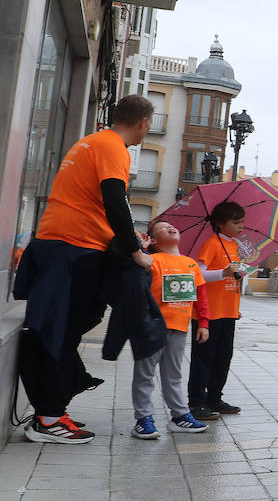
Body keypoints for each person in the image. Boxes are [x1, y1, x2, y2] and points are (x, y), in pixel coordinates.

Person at [15, 95, 156, 444]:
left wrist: (122, 236)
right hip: (74, 249)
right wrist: (136, 250)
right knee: (62, 329)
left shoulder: (89, 142)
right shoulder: (113, 147)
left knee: (61, 326)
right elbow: (114, 198)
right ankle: (47, 420)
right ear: (144, 123)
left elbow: (94, 202)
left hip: (59, 241)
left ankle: (52, 409)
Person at [132, 220, 211, 438]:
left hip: (179, 328)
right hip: (151, 327)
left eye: (172, 226)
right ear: (154, 239)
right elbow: (137, 277)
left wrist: (203, 323)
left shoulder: (191, 264)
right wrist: (143, 248)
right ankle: (144, 418)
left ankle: (180, 416)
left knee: (174, 375)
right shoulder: (152, 260)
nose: (171, 227)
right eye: (162, 228)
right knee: (144, 374)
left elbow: (201, 297)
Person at [189, 201, 250, 421]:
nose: (241, 226)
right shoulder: (211, 244)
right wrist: (223, 273)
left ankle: (214, 397)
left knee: (223, 357)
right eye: (236, 222)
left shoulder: (234, 245)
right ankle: (196, 402)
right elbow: (200, 273)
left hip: (228, 311)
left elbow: (231, 277)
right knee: (203, 359)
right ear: (220, 224)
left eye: (242, 221)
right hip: (208, 313)